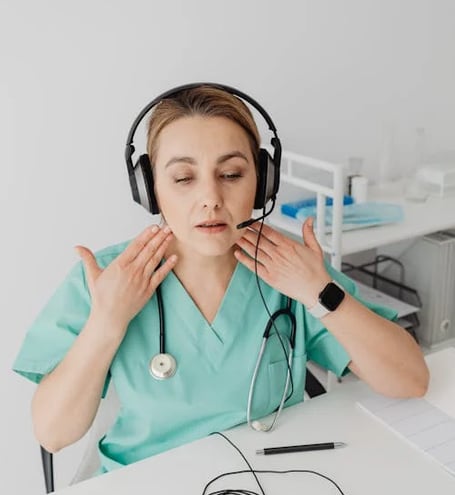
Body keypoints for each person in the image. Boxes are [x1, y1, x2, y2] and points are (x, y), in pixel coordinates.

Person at [12, 84, 429, 474]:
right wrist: (107, 322)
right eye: (183, 178)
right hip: (144, 489)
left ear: (262, 182)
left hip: (270, 477)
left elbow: (410, 380)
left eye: (230, 174)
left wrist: (319, 292)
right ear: (150, 189)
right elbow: (53, 434)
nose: (211, 198)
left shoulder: (288, 266)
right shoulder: (108, 277)